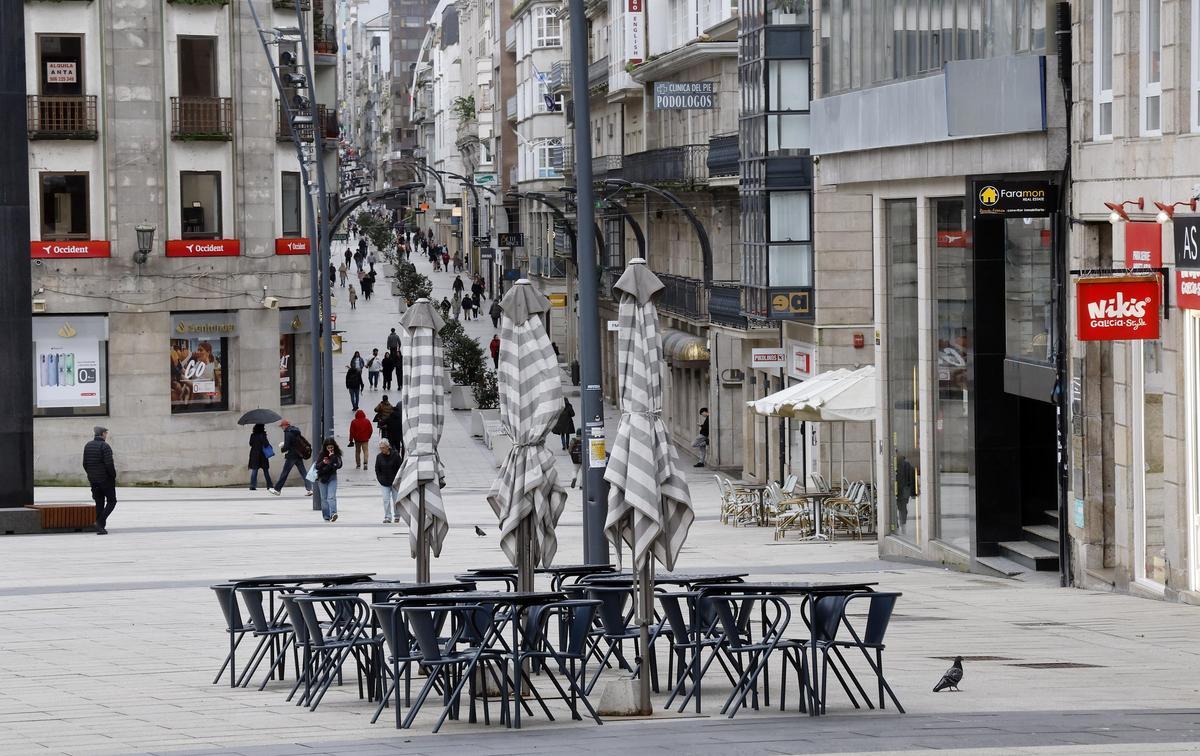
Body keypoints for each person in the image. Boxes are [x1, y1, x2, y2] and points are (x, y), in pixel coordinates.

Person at [82, 426, 117, 535]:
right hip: (105, 479)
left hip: (93, 480)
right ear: (102, 434)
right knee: (112, 501)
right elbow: (109, 464)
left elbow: (85, 464)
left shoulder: (88, 445)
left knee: (99, 502)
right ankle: (99, 522)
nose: (106, 435)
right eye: (106, 433)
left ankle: (100, 527)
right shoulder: (105, 446)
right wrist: (113, 476)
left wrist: (91, 475)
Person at [270, 420, 311, 496]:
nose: (282, 428)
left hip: (291, 455)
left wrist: (282, 449)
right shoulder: (295, 431)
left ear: (285, 425)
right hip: (298, 454)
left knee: (284, 473)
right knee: (303, 472)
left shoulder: (288, 432)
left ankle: (277, 490)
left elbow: (287, 446)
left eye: (282, 426)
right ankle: (310, 489)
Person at [315, 438, 343, 522]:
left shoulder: (336, 454)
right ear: (325, 447)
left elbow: (339, 465)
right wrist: (323, 462)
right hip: (322, 478)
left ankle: (333, 513)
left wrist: (333, 457)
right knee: (324, 498)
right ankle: (326, 516)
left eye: (332, 447)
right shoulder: (322, 454)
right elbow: (317, 466)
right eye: (328, 447)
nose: (330, 449)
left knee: (331, 497)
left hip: (332, 477)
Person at [375, 439, 402, 524]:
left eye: (383, 448)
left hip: (394, 482)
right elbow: (377, 469)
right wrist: (380, 479)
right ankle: (387, 517)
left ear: (387, 447)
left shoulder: (395, 455)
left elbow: (400, 468)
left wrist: (398, 479)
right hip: (384, 483)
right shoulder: (379, 457)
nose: (381, 449)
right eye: (380, 448)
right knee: (386, 500)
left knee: (396, 500)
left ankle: (397, 516)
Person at [247, 423, 273, 491]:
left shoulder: (252, 435)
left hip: (254, 454)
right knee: (265, 470)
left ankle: (252, 485)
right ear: (262, 428)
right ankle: (269, 485)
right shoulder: (263, 435)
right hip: (262, 455)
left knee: (254, 470)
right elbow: (266, 444)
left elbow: (250, 444)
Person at [895, 454, 915, 533]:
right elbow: (912, 478)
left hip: (899, 490)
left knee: (897, 508)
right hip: (904, 490)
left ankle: (898, 525)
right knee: (903, 508)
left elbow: (912, 478)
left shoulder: (894, 464)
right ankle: (902, 525)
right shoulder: (907, 464)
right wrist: (913, 493)